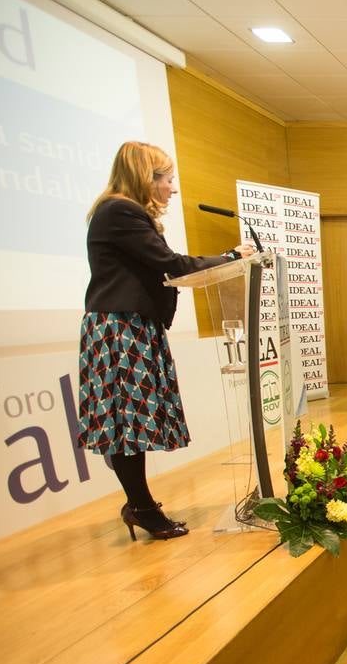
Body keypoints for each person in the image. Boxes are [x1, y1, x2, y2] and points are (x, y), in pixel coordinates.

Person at [76, 141, 254, 541]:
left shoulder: (120, 212)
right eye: (169, 179)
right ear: (146, 177)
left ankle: (139, 503)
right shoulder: (120, 210)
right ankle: (139, 505)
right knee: (126, 423)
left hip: (131, 326)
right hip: (119, 331)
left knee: (130, 422)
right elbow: (171, 264)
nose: (173, 189)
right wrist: (231, 257)